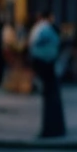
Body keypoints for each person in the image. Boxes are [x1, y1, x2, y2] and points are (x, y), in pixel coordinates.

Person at [28, 10, 66, 138]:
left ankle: (48, 129)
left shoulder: (37, 29)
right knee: (52, 97)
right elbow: (58, 43)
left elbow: (32, 46)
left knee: (48, 97)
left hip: (42, 65)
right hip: (51, 66)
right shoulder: (49, 29)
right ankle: (56, 128)